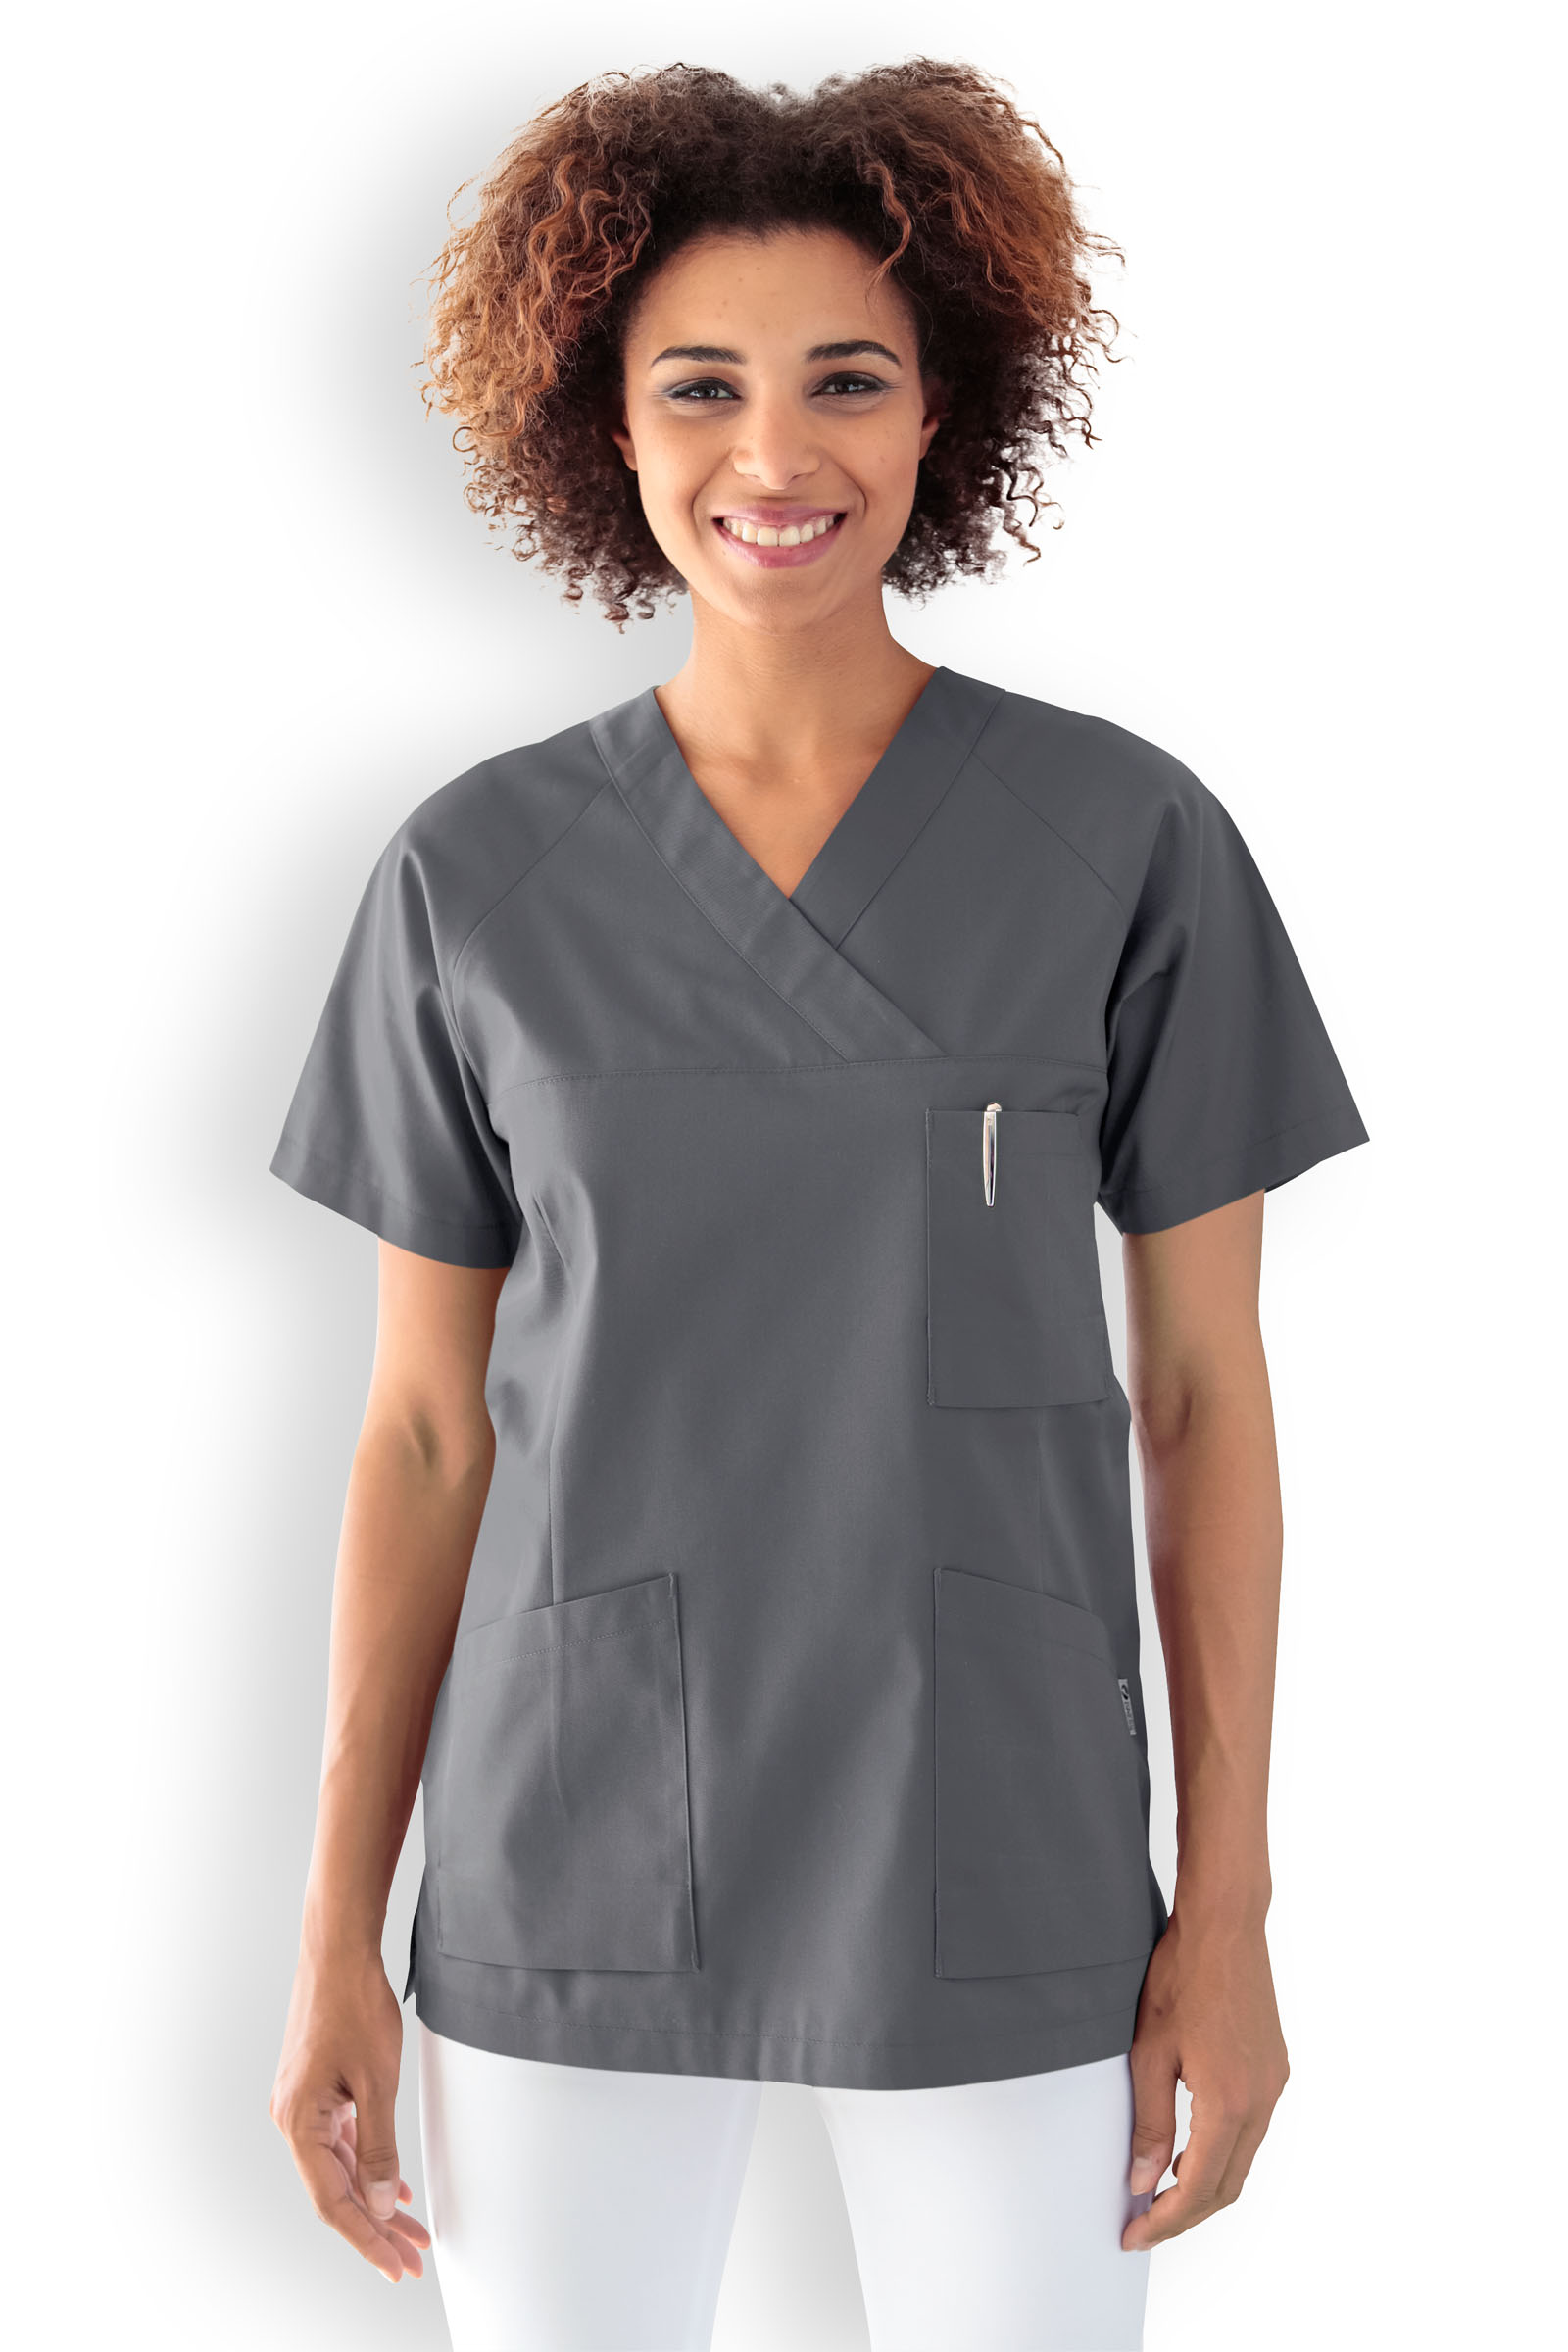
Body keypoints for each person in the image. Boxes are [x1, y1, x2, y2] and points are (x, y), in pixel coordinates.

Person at [267, 59, 1369, 2352]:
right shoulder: (477, 874)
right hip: (569, 1845)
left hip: (998, 1834)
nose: (773, 455)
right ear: (606, 427)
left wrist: (1230, 1910)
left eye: (844, 380)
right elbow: (422, 1435)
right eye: (701, 387)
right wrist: (332, 1936)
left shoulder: (1120, 842)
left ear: (942, 408)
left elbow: (1198, 1397)